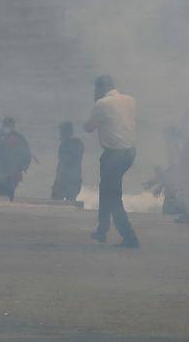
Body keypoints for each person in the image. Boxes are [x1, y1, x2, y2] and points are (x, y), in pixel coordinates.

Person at [84, 74, 139, 247]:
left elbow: (88, 127)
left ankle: (129, 236)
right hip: (130, 152)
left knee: (112, 195)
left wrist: (95, 102)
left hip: (114, 155)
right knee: (107, 190)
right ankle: (102, 229)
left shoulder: (101, 104)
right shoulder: (130, 100)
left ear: (100, 88)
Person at [51, 121, 84, 203]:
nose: (60, 133)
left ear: (67, 132)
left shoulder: (75, 143)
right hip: (66, 180)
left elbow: (67, 161)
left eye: (62, 131)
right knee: (57, 202)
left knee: (65, 203)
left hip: (70, 180)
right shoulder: (66, 144)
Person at [0, 116, 32, 199]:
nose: (6, 127)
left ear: (13, 126)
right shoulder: (0, 136)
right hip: (1, 170)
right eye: (5, 124)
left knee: (8, 191)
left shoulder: (18, 138)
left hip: (13, 171)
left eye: (8, 125)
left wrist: (21, 167)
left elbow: (26, 154)